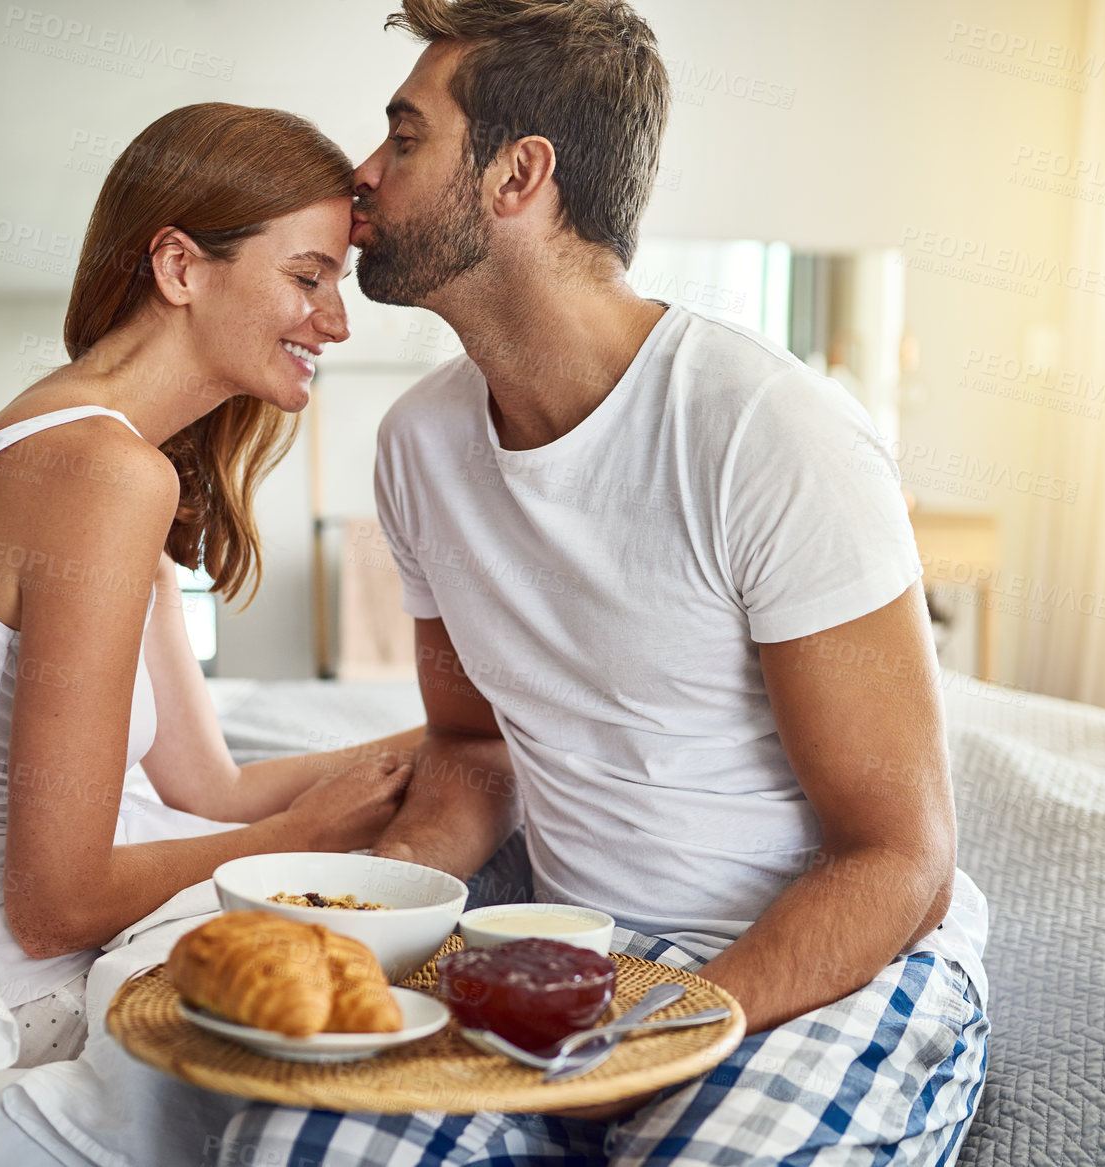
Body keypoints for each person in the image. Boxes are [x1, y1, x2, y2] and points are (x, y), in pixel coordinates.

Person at [217, 1, 990, 1163]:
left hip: (814, 960)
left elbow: (897, 857)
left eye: (405, 137)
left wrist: (657, 1032)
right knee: (291, 1146)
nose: (362, 177)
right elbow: (471, 749)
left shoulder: (766, 433)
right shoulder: (418, 446)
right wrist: (360, 915)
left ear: (517, 175)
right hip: (567, 937)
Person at [0, 104, 419, 1068]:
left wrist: (457, 729)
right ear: (179, 267)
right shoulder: (99, 472)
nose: (337, 320)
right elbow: (53, 907)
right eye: (307, 276)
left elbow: (210, 786)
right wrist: (298, 837)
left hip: (23, 946)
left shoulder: (99, 457)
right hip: (6, 984)